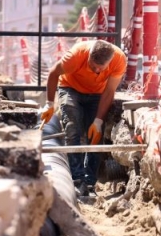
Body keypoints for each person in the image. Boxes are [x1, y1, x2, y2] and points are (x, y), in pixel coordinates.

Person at [40, 39, 126, 196]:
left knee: (95, 136)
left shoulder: (119, 59)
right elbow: (53, 73)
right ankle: (77, 180)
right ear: (89, 57)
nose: (97, 71)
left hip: (97, 94)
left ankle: (90, 182)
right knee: (72, 129)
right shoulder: (76, 55)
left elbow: (109, 92)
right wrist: (49, 104)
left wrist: (98, 121)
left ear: (109, 62)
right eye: (93, 67)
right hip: (71, 88)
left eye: (101, 69)